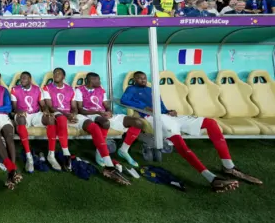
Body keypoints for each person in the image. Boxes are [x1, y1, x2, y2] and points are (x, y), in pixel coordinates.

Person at [121, 71, 262, 192]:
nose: (143, 80)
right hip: (153, 118)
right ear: (134, 80)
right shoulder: (131, 89)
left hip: (166, 115)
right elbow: (124, 100)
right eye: (139, 78)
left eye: (144, 78)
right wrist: (145, 107)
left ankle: (229, 167)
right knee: (179, 141)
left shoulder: (151, 89)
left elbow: (160, 104)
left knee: (210, 123)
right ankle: (211, 178)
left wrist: (168, 110)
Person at [73, 72, 144, 169]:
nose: (100, 81)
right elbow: (81, 110)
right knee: (105, 122)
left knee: (138, 122)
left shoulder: (101, 90)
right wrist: (99, 112)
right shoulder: (79, 90)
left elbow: (106, 105)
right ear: (91, 80)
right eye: (97, 79)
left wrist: (109, 111)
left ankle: (124, 150)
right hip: (91, 115)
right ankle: (100, 151)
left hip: (105, 114)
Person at [40, 68, 77, 171]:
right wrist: (66, 115)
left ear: (64, 77)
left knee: (64, 118)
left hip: (67, 114)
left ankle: (52, 154)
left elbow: (74, 107)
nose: (56, 74)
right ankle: (66, 153)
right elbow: (50, 106)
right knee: (61, 118)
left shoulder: (70, 89)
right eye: (54, 73)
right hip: (56, 112)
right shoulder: (47, 88)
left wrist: (73, 114)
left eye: (59, 73)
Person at [11, 72, 44, 173]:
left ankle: (52, 155)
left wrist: (46, 110)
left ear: (30, 79)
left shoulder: (37, 89)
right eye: (21, 79)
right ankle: (29, 156)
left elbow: (42, 104)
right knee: (21, 120)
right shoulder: (15, 90)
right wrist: (19, 111)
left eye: (24, 78)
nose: (22, 80)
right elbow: (14, 107)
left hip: (35, 114)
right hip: (22, 114)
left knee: (50, 119)